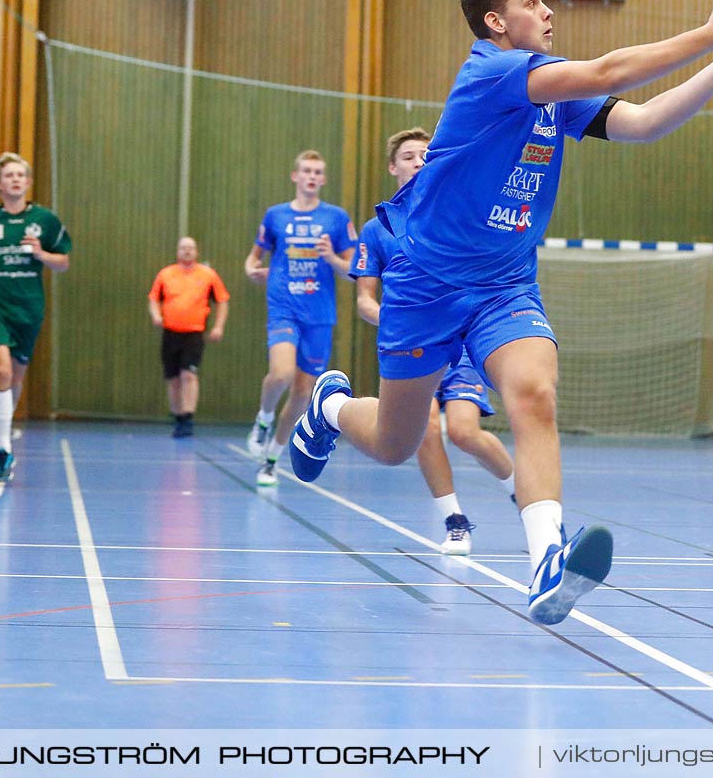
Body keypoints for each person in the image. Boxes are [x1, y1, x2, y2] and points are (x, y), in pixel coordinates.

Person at [287, 0, 713, 624]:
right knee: (393, 443)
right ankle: (331, 406)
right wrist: (704, 34)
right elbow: (610, 72)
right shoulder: (492, 74)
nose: (549, 9)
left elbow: (640, 122)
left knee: (536, 395)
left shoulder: (551, 96)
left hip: (504, 283)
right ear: (497, 21)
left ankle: (547, 561)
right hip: (426, 280)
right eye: (533, 0)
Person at [352, 127, 516, 555]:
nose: (418, 160)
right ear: (393, 166)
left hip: (459, 339)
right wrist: (401, 319)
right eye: (408, 155)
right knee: (424, 426)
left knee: (464, 431)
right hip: (414, 340)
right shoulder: (378, 228)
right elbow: (365, 301)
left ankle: (524, 495)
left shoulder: (455, 212)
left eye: (426, 154)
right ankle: (455, 521)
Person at [243, 152, 356, 487]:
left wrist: (330, 256)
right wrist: (252, 271)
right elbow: (253, 258)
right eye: (306, 170)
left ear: (323, 179)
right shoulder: (276, 216)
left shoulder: (336, 219)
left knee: (303, 392)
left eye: (318, 172)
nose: (311, 176)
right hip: (284, 306)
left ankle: (271, 459)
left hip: (319, 314)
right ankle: (263, 419)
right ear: (295, 175)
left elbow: (353, 272)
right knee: (282, 373)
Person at [0, 152, 72, 482]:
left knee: (16, 378)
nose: (15, 180)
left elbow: (63, 263)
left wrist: (41, 254)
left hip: (29, 307)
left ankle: (0, 433)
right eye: (8, 175)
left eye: (20, 175)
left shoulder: (45, 220)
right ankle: (5, 450)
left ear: (28, 182)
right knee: (2, 369)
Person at [148, 236, 230, 438]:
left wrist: (219, 326)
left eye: (190, 248)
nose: (186, 251)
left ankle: (188, 418)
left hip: (194, 333)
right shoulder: (165, 275)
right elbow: (153, 299)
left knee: (188, 375)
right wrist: (156, 315)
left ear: (196, 252)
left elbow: (222, 301)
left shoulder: (208, 275)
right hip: (170, 333)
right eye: (183, 248)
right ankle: (177, 417)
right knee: (173, 379)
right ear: (177, 251)